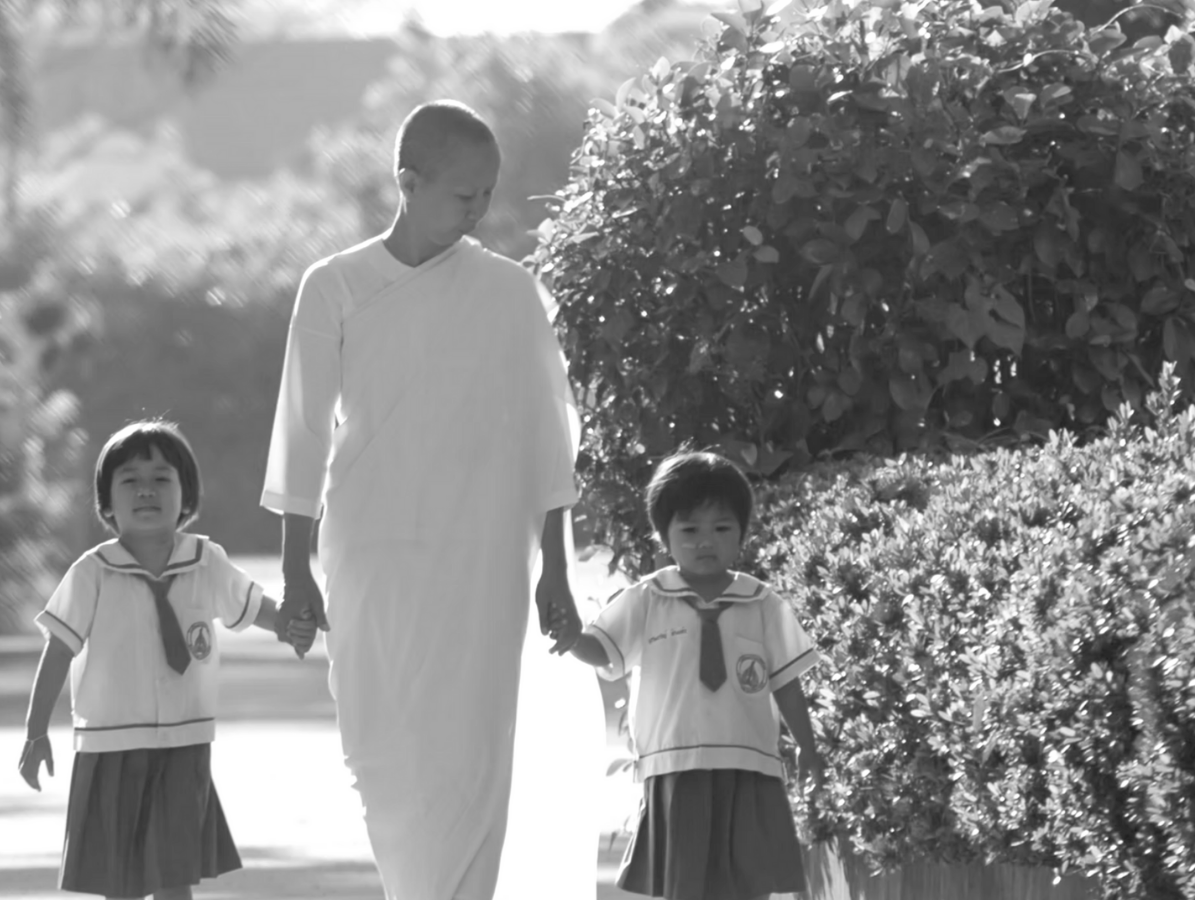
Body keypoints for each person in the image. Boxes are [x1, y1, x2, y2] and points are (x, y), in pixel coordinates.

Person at [262, 98, 603, 900]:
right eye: (462, 194)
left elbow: (546, 436)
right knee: (382, 755)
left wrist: (556, 569)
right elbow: (303, 433)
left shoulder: (510, 293)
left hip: (486, 557)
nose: (478, 210)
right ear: (408, 183)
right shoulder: (333, 287)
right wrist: (295, 568)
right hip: (371, 552)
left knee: (474, 757)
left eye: (487, 193)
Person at [19, 419, 317, 900]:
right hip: (111, 746)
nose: (146, 490)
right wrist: (35, 732)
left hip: (184, 743)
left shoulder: (206, 561)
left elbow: (255, 607)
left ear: (187, 496)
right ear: (106, 502)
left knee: (174, 876)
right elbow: (58, 651)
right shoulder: (91, 573)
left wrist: (290, 625)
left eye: (161, 478)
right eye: (130, 480)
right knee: (120, 880)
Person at [567, 451, 826, 900]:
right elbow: (602, 650)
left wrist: (807, 745)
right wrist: (571, 635)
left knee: (748, 883)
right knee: (685, 884)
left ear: (742, 533)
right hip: (676, 766)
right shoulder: (646, 599)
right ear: (664, 535)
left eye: (722, 528)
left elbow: (786, 681)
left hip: (748, 764)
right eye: (689, 530)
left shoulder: (762, 604)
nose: (706, 542)